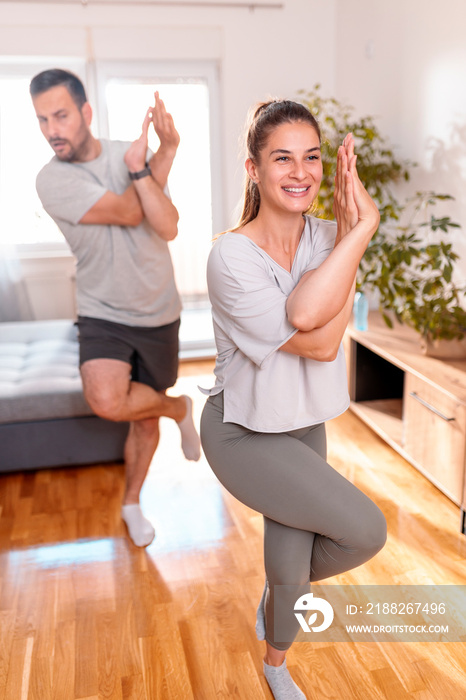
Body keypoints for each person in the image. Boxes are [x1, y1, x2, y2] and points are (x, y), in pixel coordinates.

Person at [200, 99, 387, 699]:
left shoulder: (333, 237)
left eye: (312, 157)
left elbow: (322, 323)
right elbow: (319, 338)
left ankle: (275, 663)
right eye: (282, 157)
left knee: (286, 571)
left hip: (302, 422)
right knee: (365, 530)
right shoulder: (230, 256)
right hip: (242, 431)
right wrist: (360, 233)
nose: (300, 172)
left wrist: (347, 239)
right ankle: (283, 606)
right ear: (253, 169)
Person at [30, 69, 201, 548]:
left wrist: (162, 152)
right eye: (42, 120)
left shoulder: (130, 153)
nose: (51, 130)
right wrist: (147, 162)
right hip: (103, 308)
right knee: (107, 399)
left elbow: (159, 215)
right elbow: (130, 212)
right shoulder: (51, 181)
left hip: (158, 306)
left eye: (60, 115)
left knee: (142, 417)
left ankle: (132, 503)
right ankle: (180, 408)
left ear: (85, 112)